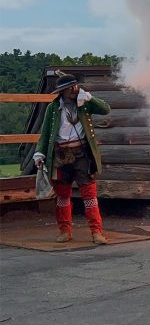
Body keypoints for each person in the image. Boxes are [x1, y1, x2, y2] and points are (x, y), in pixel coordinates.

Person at [33, 73, 111, 244]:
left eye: (75, 87)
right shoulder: (53, 108)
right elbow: (45, 134)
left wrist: (89, 98)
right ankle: (65, 231)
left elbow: (105, 109)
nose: (74, 90)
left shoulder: (85, 104)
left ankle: (96, 232)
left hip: (82, 154)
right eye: (70, 88)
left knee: (89, 195)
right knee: (62, 196)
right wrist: (40, 153)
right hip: (60, 155)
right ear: (63, 91)